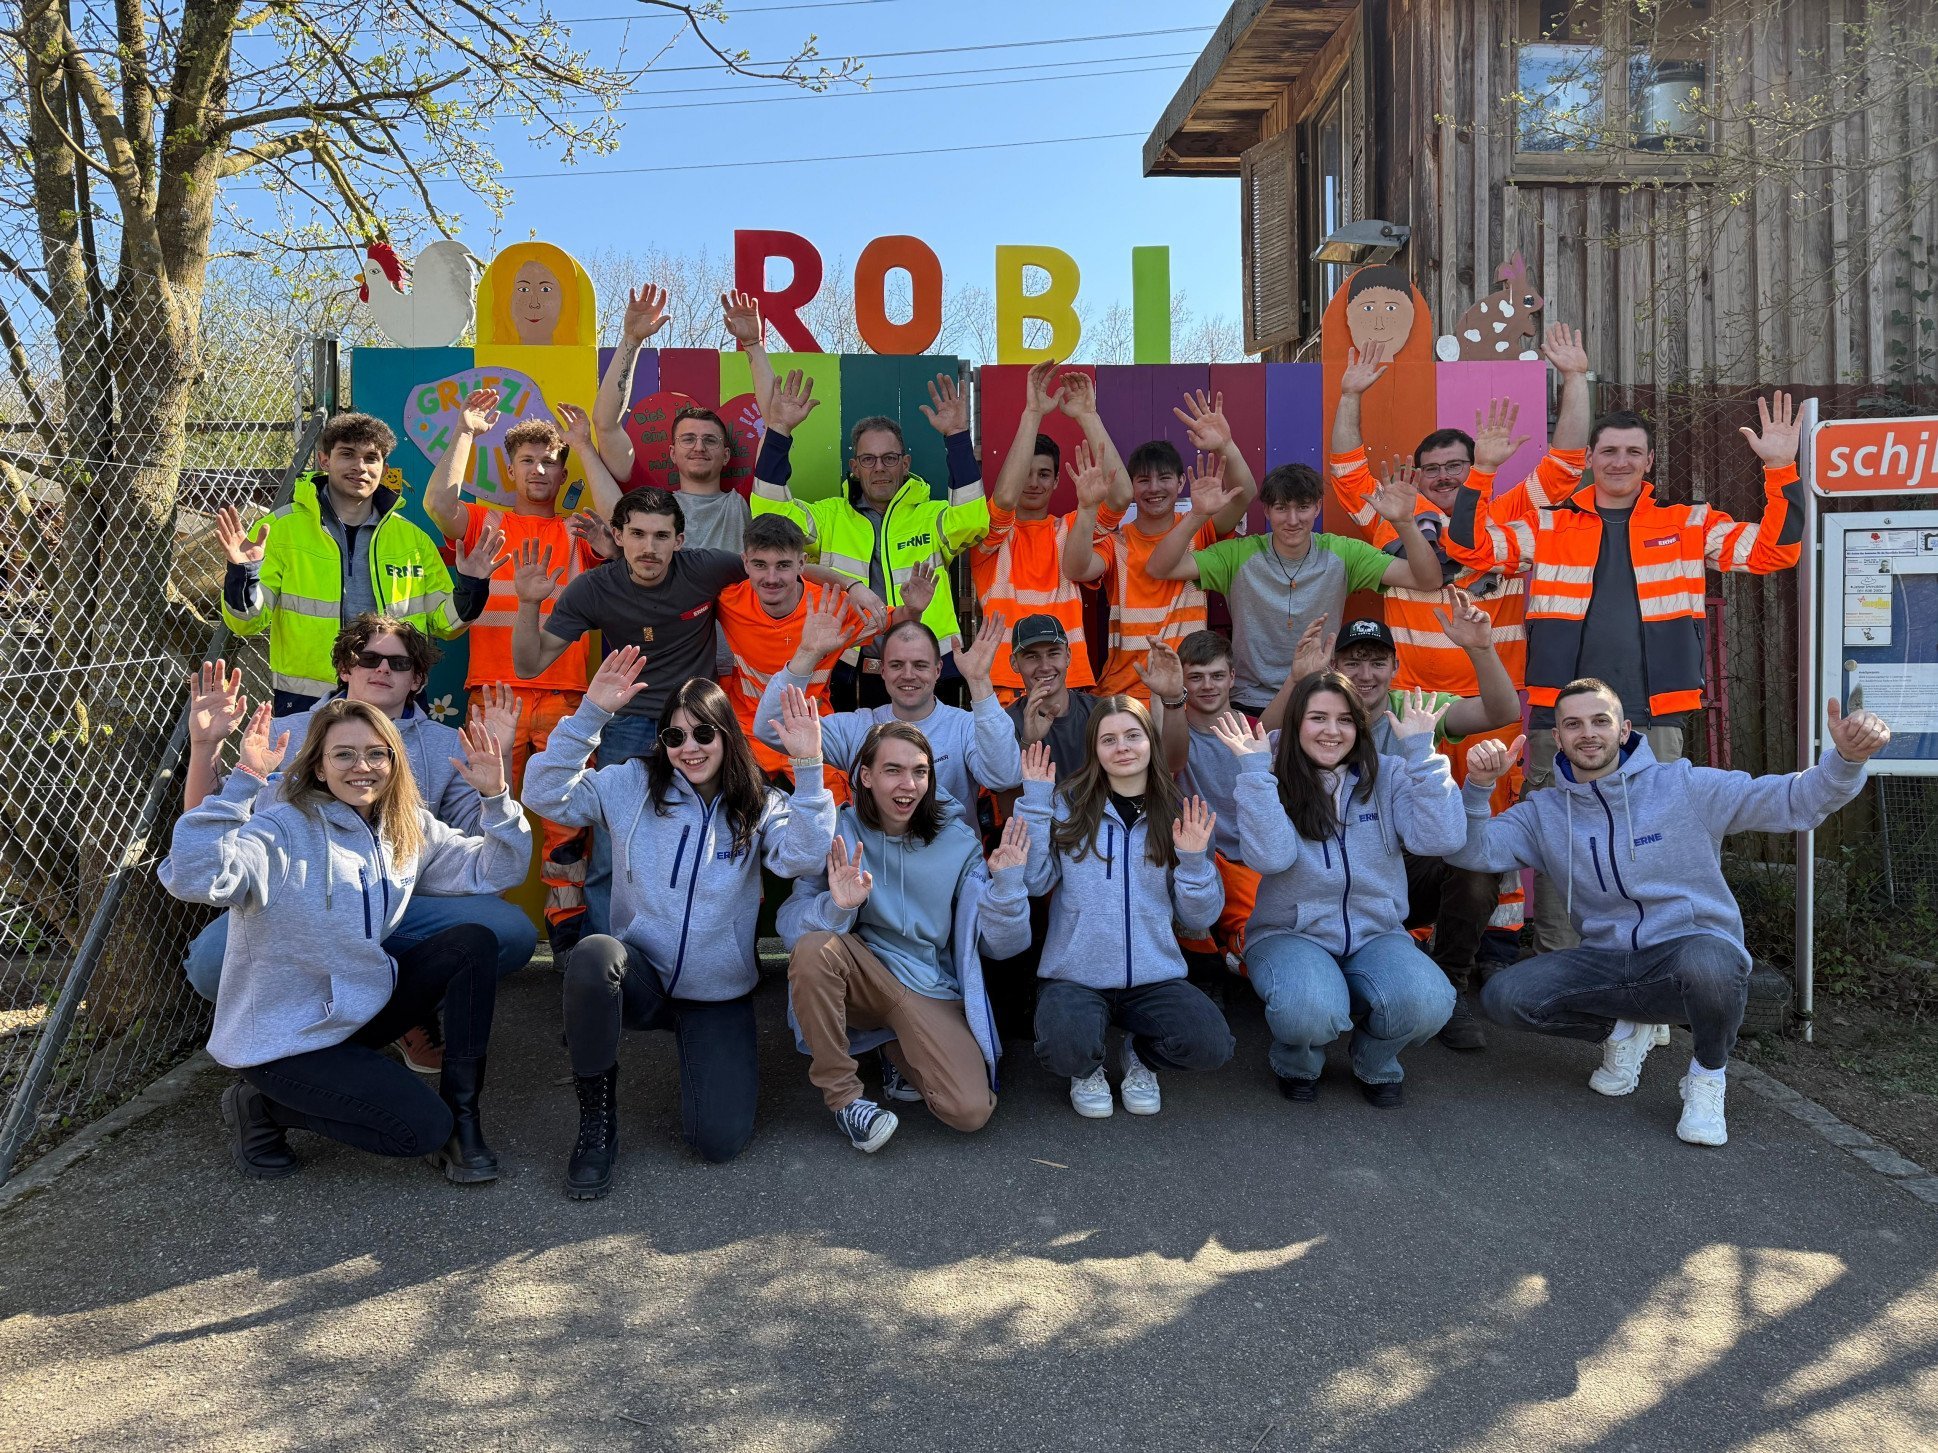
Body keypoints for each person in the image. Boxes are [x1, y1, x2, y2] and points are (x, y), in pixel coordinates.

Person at [1444, 384, 1806, 951]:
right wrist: (1482, 472)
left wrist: (1781, 468)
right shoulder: (1549, 523)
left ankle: (1650, 971)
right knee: (1563, 847)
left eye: (1632, 452)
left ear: (1649, 461)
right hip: (1557, 717)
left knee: (1653, 847)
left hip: (1654, 714)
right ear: (1589, 458)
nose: (1620, 462)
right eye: (1609, 451)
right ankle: (1563, 971)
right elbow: (1470, 549)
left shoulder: (1689, 522)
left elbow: (1775, 551)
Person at [1453, 682, 1890, 1146]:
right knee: (1504, 996)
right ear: (1557, 738)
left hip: (1688, 953)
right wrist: (1479, 788)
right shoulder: (1543, 813)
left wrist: (1845, 760)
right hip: (1606, 960)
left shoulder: (1684, 785)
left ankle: (1706, 1078)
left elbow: (1794, 801)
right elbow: (1472, 852)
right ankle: (1623, 1028)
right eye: (1572, 724)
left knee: (1713, 963)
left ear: (1623, 731)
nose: (1588, 733)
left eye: (1600, 721)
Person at [159, 698, 532, 1182]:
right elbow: (195, 878)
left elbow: (497, 869)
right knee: (418, 1132)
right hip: (285, 1038)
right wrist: (245, 780)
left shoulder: (405, 824)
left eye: (377, 754)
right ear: (318, 764)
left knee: (471, 943)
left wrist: (496, 799)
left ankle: (465, 1120)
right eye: (344, 755)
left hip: (358, 1006)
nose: (363, 767)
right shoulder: (282, 827)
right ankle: (262, 1105)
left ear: (395, 762)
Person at [522, 653, 837, 1197]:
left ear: (726, 735)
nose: (688, 747)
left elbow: (805, 858)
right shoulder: (632, 785)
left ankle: (702, 1056)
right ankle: (597, 1122)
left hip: (715, 992)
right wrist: (592, 713)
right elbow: (544, 794)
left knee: (718, 1142)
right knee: (594, 957)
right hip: (641, 974)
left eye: (702, 733)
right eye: (674, 735)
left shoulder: (757, 801)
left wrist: (809, 769)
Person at [178, 622, 539, 1059]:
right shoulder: (283, 733)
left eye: (399, 662)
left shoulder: (448, 745)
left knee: (509, 930)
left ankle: (404, 1008)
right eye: (368, 658)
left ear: (417, 679)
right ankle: (296, 1026)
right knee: (210, 963)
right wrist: (205, 746)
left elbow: (490, 862)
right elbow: (211, 832)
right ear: (345, 669)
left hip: (403, 902)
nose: (382, 669)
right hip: (296, 903)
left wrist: (497, 774)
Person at [423, 391, 624, 951]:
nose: (540, 470)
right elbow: (440, 502)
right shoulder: (485, 521)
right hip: (494, 697)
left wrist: (584, 443)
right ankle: (479, 935)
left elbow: (622, 521)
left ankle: (568, 942)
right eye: (529, 460)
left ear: (564, 471)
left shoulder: (581, 532)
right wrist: (464, 431)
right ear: (509, 468)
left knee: (569, 832)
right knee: (480, 818)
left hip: (567, 701)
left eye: (552, 461)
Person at [780, 723, 1033, 1152]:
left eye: (919, 772)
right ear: (866, 776)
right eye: (893, 770)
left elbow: (1003, 946)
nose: (908, 785)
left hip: (927, 985)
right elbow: (788, 926)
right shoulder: (836, 831)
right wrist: (837, 907)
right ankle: (846, 1099)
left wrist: (1007, 888)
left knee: (970, 1111)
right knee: (813, 949)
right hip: (860, 972)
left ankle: (892, 1044)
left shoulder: (959, 842)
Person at [1215, 678, 1465, 1106]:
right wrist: (1255, 775)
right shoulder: (1266, 773)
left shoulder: (1389, 773)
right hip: (1289, 932)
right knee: (1308, 1008)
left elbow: (1441, 839)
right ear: (1296, 724)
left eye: (1345, 720)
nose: (1331, 731)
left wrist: (1423, 753)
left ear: (1360, 728)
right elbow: (1270, 860)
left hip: (1377, 932)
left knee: (1429, 1002)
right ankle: (1297, 1062)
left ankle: (1375, 1060)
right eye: (1318, 718)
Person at [1327, 323, 1594, 694]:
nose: (1443, 477)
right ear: (1418, 476)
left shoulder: (1511, 512)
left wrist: (1576, 377)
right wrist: (1349, 396)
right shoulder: (1393, 515)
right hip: (1410, 697)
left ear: (1474, 466)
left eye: (1455, 466)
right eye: (1432, 469)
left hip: (1492, 699)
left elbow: (1566, 465)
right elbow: (1347, 472)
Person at [1016, 706, 1233, 1119]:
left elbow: (1198, 919)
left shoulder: (1180, 812)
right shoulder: (1066, 804)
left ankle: (1141, 1057)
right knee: (1065, 1050)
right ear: (1094, 749)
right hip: (1075, 974)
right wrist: (1036, 803)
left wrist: (1192, 863)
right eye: (1108, 739)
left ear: (1151, 741)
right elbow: (1035, 881)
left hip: (1154, 976)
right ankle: (1087, 1068)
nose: (1122, 748)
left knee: (1211, 1044)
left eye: (1133, 736)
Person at [1323, 607, 1522, 1049]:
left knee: (1476, 862)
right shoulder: (1319, 710)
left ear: (1396, 666)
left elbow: (1502, 709)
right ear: (1334, 666)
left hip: (1406, 869)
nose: (1366, 674)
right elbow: (1271, 743)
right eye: (1353, 662)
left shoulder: (1415, 709)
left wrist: (1480, 648)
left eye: (1377, 662)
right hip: (1334, 876)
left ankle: (1450, 985)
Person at [216, 411, 481, 714]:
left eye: (371, 458)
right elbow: (246, 623)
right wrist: (243, 573)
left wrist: (473, 585)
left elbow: (445, 624)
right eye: (347, 454)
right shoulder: (279, 530)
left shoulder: (413, 539)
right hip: (308, 702)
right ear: (324, 460)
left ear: (384, 467)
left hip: (394, 695)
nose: (360, 467)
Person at [751, 368, 987, 706]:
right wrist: (779, 431)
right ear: (855, 466)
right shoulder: (829, 516)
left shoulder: (930, 515)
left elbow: (972, 521)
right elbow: (769, 516)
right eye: (868, 459)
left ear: (905, 463)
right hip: (851, 671)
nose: (879, 467)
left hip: (927, 667)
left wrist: (957, 437)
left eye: (889, 458)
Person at [1145, 457, 1440, 715]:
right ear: (1266, 512)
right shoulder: (1238, 555)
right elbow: (1160, 567)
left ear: (1317, 508)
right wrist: (1198, 515)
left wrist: (1404, 523)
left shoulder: (1342, 553)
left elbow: (1427, 580)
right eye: (1281, 508)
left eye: (1303, 507)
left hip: (1319, 695)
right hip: (1249, 700)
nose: (1293, 520)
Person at [1062, 391, 1259, 704]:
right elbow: (1074, 569)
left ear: (1181, 483)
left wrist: (1226, 445)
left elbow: (1244, 493)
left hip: (1189, 694)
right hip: (1123, 693)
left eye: (1164, 478)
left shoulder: (1201, 528)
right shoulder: (1118, 541)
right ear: (1132, 486)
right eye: (1143, 480)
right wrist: (1087, 508)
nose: (1154, 488)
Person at [753, 614, 1023, 813]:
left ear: (938, 670)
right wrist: (807, 654)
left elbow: (1004, 777)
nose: (908, 675)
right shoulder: (858, 728)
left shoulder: (963, 726)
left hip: (951, 879)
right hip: (871, 880)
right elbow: (770, 728)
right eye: (896, 665)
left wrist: (979, 681)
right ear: (882, 671)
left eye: (920, 665)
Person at [972, 362, 1130, 698]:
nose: (1033, 482)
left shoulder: (1073, 526)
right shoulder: (990, 534)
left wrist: (1089, 415)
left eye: (1043, 474)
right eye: (1025, 473)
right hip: (1005, 680)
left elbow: (1121, 497)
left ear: (1057, 481)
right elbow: (1004, 498)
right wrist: (1032, 413)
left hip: (1068, 680)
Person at [715, 514, 876, 780]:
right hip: (747, 733)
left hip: (813, 727)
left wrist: (911, 609)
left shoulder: (831, 604)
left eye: (783, 566)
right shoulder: (728, 599)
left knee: (836, 810)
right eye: (760, 564)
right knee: (738, 812)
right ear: (745, 562)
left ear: (801, 563)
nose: (771, 577)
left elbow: (892, 621)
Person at [1004, 614, 1101, 781]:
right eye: (1032, 656)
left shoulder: (1100, 712)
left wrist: (1163, 699)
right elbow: (1008, 799)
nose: (1045, 666)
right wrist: (1028, 742)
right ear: (1014, 663)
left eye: (1053, 653)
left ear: (1068, 656)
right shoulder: (1005, 724)